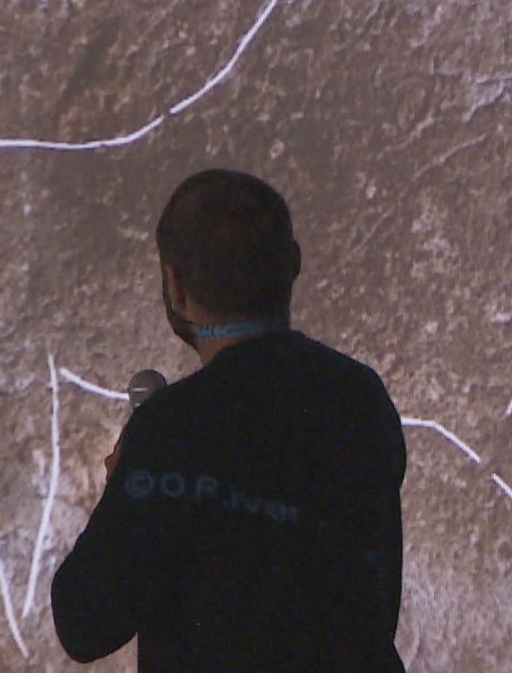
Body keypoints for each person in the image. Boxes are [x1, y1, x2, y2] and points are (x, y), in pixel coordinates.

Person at [52, 169, 408, 671]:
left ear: (174, 285)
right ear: (294, 264)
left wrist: (131, 487)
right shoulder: (359, 398)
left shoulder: (170, 430)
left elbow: (84, 622)